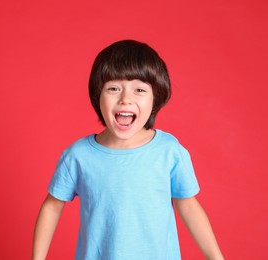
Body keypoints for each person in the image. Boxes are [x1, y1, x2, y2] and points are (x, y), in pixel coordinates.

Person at [32, 40, 224, 260]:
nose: (125, 98)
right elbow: (52, 207)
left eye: (139, 89)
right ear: (98, 96)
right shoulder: (78, 156)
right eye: (113, 88)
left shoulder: (169, 151)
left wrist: (216, 257)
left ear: (156, 98)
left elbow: (188, 206)